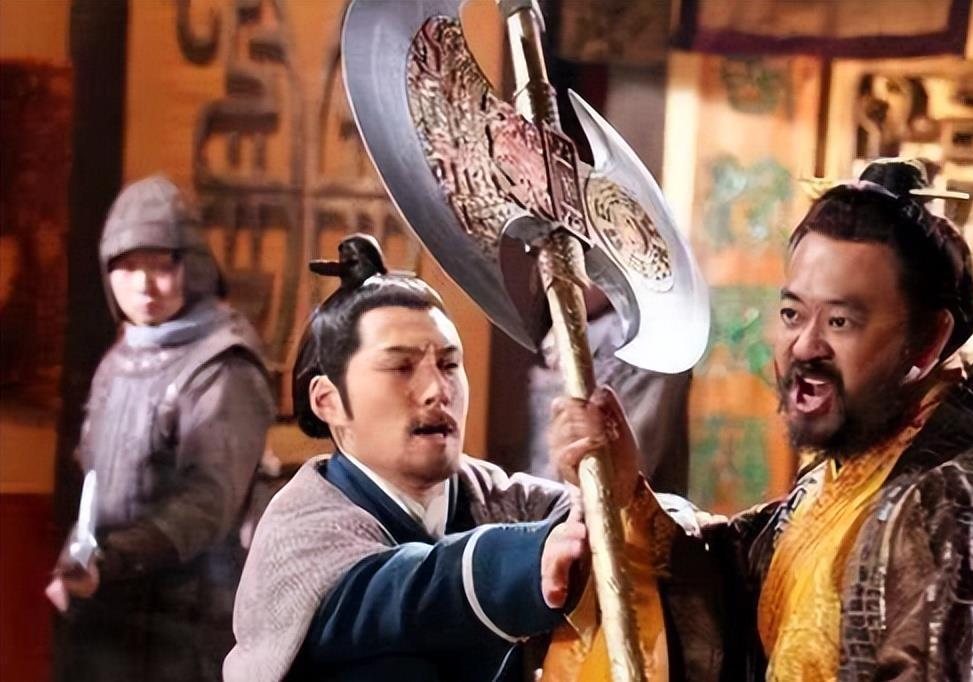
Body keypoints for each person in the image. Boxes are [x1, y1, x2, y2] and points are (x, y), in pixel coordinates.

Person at [546, 160, 973, 681]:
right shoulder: (854, 471)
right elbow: (735, 595)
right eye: (792, 313)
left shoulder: (954, 508)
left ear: (928, 340)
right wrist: (627, 493)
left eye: (841, 322)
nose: (805, 346)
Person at [224, 234, 590, 681]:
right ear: (328, 401)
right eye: (401, 367)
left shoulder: (499, 499)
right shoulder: (299, 532)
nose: (438, 390)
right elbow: (404, 595)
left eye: (449, 365)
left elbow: (616, 541)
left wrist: (605, 486)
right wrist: (529, 559)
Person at [45, 175, 275, 681]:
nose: (144, 284)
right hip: (108, 613)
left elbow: (208, 502)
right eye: (128, 267)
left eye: (161, 265)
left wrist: (114, 558)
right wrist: (78, 556)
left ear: (193, 267)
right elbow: (95, 484)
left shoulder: (221, 366)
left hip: (185, 624)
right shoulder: (118, 360)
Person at [524, 286, 693, 494]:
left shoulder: (652, 340)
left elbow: (623, 478)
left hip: (617, 504)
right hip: (554, 503)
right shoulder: (555, 333)